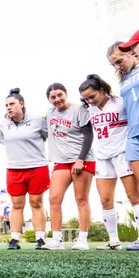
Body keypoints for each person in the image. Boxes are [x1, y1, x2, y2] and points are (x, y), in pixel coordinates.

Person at [79, 74, 139, 251]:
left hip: (122, 154)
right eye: (86, 99)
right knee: (105, 199)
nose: (90, 101)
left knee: (133, 196)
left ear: (102, 90)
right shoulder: (90, 109)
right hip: (103, 157)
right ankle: (113, 241)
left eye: (92, 96)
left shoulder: (120, 102)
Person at [41, 83, 95, 251]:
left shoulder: (79, 109)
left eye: (59, 95)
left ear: (65, 93)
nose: (57, 99)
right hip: (61, 161)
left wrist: (80, 159)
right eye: (53, 97)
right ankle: (57, 239)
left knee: (81, 199)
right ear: (49, 100)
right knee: (54, 198)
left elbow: (88, 135)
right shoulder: (49, 113)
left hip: (81, 159)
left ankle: (83, 239)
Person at [0, 88, 49, 250]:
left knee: (36, 202)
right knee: (17, 204)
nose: (9, 107)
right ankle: (14, 239)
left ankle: (40, 239)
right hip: (14, 168)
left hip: (37, 166)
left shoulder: (38, 120)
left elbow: (51, 137)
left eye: (12, 104)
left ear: (22, 104)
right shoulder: (3, 124)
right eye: (6, 105)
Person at [109, 42, 139, 209]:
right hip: (133, 136)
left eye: (119, 61)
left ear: (129, 53)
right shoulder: (124, 81)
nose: (117, 66)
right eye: (113, 64)